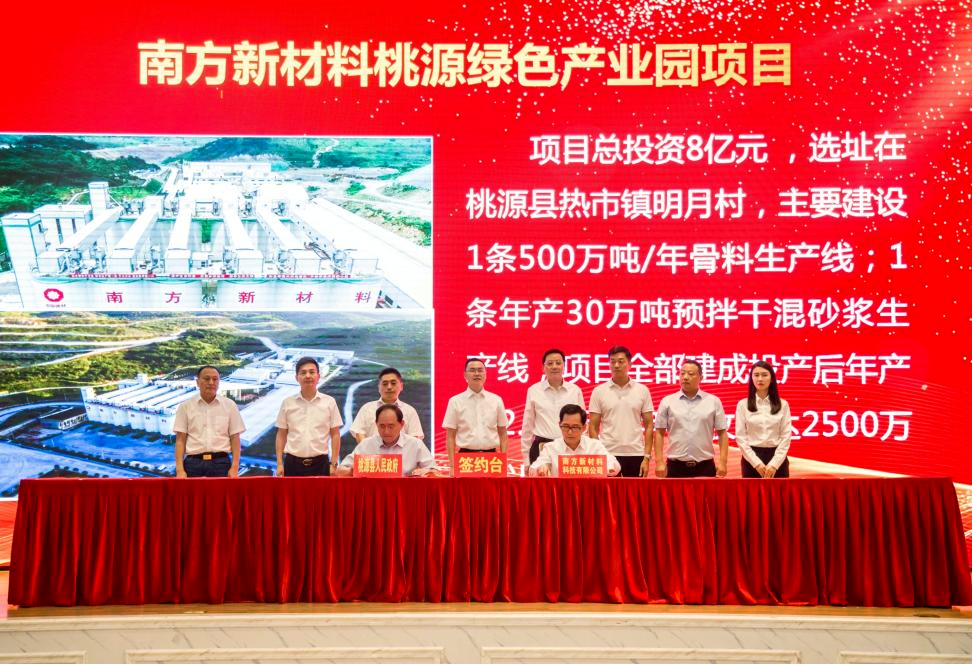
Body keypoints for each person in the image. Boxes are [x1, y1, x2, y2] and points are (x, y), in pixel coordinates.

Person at [653, 360, 728, 478]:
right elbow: (659, 433)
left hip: (705, 466)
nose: (685, 377)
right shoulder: (667, 401)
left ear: (701, 378)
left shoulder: (713, 401)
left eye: (691, 374)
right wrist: (659, 462)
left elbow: (722, 433)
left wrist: (723, 462)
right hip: (675, 467)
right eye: (682, 373)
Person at [587, 345, 654, 477]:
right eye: (612, 362)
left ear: (630, 364)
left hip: (636, 453)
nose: (616, 365)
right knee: (608, 491)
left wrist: (646, 457)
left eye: (621, 361)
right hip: (608, 453)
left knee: (635, 490)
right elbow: (593, 427)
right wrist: (599, 454)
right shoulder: (599, 391)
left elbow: (649, 425)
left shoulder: (642, 390)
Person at [274, 356, 342, 477]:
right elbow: (281, 434)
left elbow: (335, 434)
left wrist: (333, 463)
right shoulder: (287, 403)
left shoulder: (329, 402)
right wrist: (279, 464)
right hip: (292, 464)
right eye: (303, 373)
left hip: (320, 463)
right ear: (296, 378)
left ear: (318, 376)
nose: (308, 376)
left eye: (312, 372)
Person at [173, 365, 245, 478]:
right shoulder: (185, 406)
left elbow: (235, 438)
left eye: (215, 379)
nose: (211, 382)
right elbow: (180, 440)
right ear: (197, 382)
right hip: (193, 464)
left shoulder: (230, 405)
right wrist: (180, 470)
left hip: (221, 463)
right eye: (207, 379)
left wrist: (235, 467)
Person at [442, 357, 509, 475]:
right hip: (465, 459)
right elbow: (450, 436)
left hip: (491, 459)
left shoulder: (496, 400)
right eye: (472, 370)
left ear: (485, 374)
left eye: (480, 370)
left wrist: (503, 461)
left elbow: (503, 434)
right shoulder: (455, 401)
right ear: (465, 375)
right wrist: (452, 466)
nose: (477, 373)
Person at [520, 348, 585, 464]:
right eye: (550, 363)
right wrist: (526, 459)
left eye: (558, 363)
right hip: (541, 448)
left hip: (569, 448)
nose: (554, 366)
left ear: (564, 366)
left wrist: (584, 451)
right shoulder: (534, 390)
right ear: (543, 367)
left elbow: (583, 424)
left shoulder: (575, 391)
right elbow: (527, 426)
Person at [337, 404, 437, 476]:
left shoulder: (415, 444)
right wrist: (352, 470)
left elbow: (435, 471)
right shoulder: (366, 445)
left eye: (391, 426)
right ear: (376, 424)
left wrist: (425, 471)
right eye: (382, 426)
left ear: (402, 424)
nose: (386, 431)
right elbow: (340, 471)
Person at [735, 360, 792, 478]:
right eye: (756, 375)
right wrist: (756, 463)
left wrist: (774, 464)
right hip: (751, 459)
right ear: (751, 378)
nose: (760, 379)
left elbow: (786, 436)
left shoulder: (783, 404)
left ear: (772, 379)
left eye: (764, 375)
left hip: (777, 459)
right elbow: (741, 437)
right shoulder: (743, 405)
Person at [530, 404, 620, 476]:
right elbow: (534, 468)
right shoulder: (551, 447)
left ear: (584, 428)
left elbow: (614, 465)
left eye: (575, 427)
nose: (570, 432)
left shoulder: (594, 446)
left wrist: (607, 467)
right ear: (559, 425)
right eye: (565, 426)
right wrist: (541, 467)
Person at [350, 367, 424, 443]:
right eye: (385, 384)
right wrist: (367, 449)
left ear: (401, 386)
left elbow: (415, 437)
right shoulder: (367, 408)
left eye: (393, 383)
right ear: (379, 387)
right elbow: (359, 433)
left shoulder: (410, 411)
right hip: (371, 450)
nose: (389, 387)